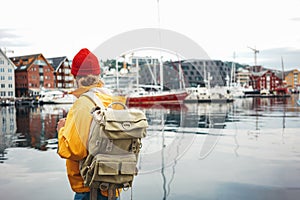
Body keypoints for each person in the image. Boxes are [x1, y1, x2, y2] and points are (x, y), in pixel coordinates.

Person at [57, 48, 123, 200]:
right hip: (112, 189)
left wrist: (61, 131)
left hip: (90, 191)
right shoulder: (113, 100)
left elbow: (75, 151)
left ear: (75, 76)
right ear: (98, 75)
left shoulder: (83, 104)